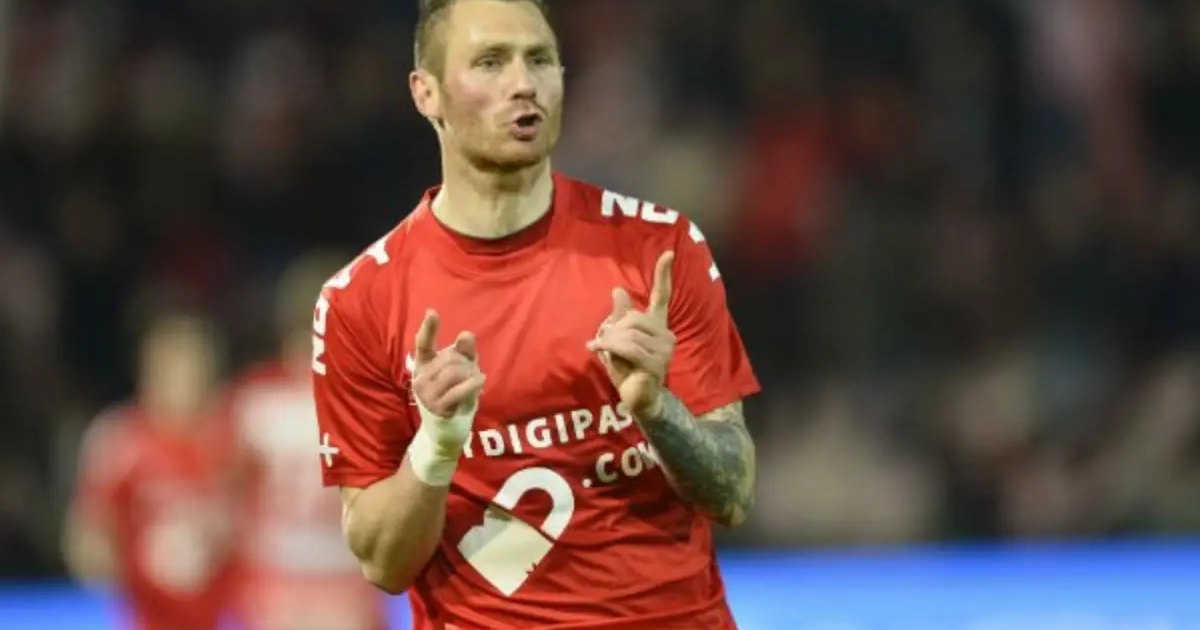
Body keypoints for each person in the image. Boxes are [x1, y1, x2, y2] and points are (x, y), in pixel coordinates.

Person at [311, 0, 761, 628]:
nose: (524, 83)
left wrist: (657, 410)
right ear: (426, 93)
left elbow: (734, 494)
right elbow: (383, 563)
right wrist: (436, 444)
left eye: (541, 60)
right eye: (491, 62)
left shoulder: (658, 250)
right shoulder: (361, 301)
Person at [223, 253, 390, 630]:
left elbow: (226, 491)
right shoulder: (368, 396)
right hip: (345, 577)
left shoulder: (254, 397)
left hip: (275, 579)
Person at [63, 312, 238, 630]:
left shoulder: (232, 438)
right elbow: (91, 524)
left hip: (220, 613)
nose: (186, 385)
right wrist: (104, 566)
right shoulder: (122, 438)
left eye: (195, 372)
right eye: (175, 372)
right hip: (148, 614)